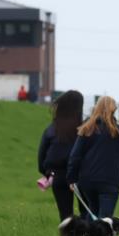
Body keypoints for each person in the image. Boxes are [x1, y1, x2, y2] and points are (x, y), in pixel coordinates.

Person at [67, 96, 119, 220]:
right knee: (105, 219)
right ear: (114, 110)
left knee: (93, 210)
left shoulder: (86, 129)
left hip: (87, 181)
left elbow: (75, 156)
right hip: (110, 183)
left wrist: (72, 179)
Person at [38, 91, 83, 221]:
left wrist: (47, 173)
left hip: (58, 175)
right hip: (81, 175)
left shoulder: (51, 129)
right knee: (86, 211)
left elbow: (41, 156)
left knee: (65, 214)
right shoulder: (84, 129)